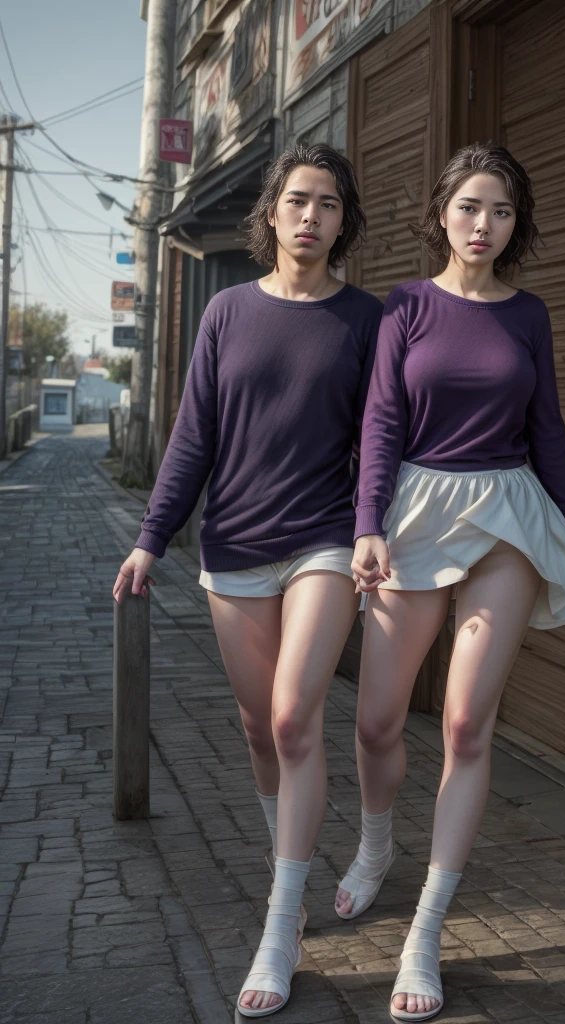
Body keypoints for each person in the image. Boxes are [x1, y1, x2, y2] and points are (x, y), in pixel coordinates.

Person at [335, 142, 565, 1022]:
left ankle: (426, 928)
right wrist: (367, 522)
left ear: (515, 223)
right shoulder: (408, 306)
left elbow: (550, 430)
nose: (483, 225)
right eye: (468, 208)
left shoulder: (528, 315)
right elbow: (381, 419)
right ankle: (376, 845)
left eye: (499, 211)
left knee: (463, 722)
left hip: (506, 518)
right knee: (378, 720)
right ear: (442, 215)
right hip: (414, 513)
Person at [112, 143, 383, 1018]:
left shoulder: (366, 320)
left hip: (324, 543)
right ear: (271, 214)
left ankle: (279, 925)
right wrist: (152, 539)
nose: (311, 216)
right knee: (258, 731)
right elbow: (194, 434)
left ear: (345, 222)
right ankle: (292, 874)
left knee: (295, 716)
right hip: (231, 546)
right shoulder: (227, 312)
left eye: (329, 204)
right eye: (298, 200)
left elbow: (384, 440)